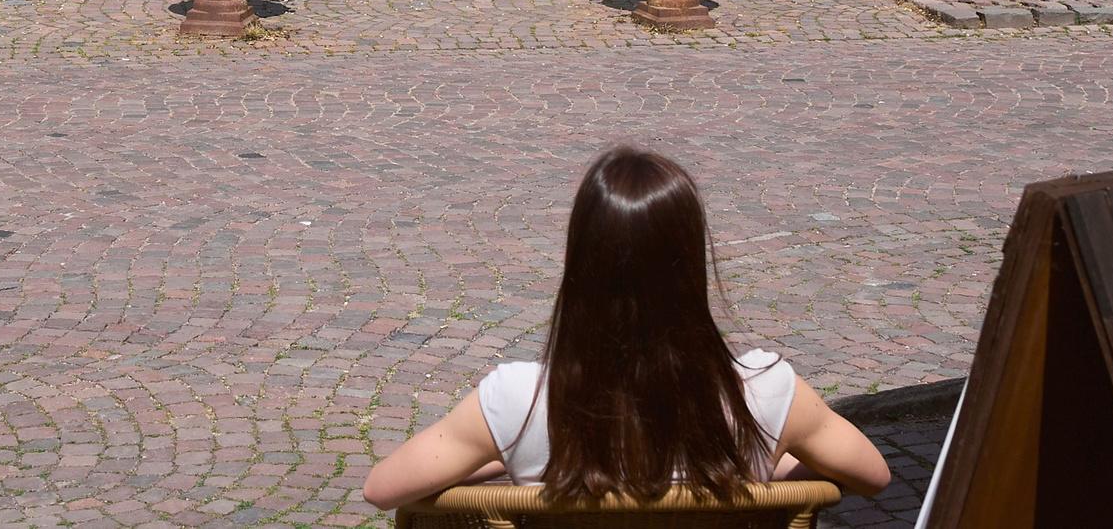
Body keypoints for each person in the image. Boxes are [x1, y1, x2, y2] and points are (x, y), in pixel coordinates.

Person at [362, 147, 892, 510]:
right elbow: (873, 475)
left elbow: (382, 490)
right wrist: (758, 468)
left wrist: (502, 457)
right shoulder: (771, 390)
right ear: (691, 265)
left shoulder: (519, 402)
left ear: (580, 264)